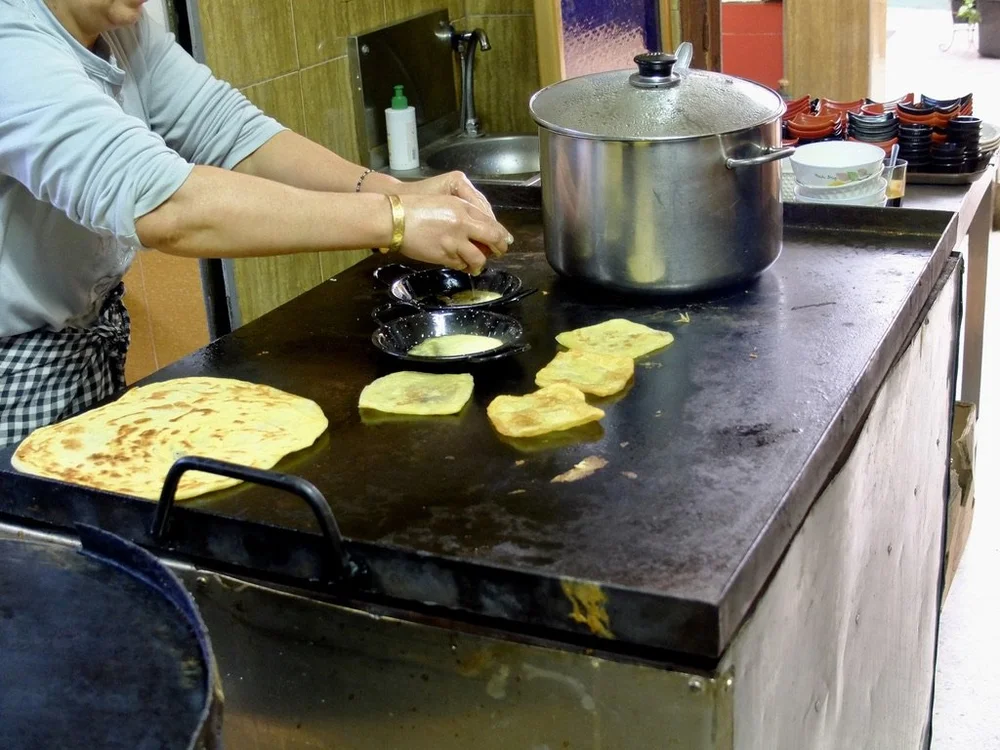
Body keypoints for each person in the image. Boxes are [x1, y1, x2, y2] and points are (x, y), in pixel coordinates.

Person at [0, 0, 513, 448]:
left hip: (78, 350)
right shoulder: (11, 49)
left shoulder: (118, 28)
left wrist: (395, 191)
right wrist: (395, 220)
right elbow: (168, 207)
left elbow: (231, 131)